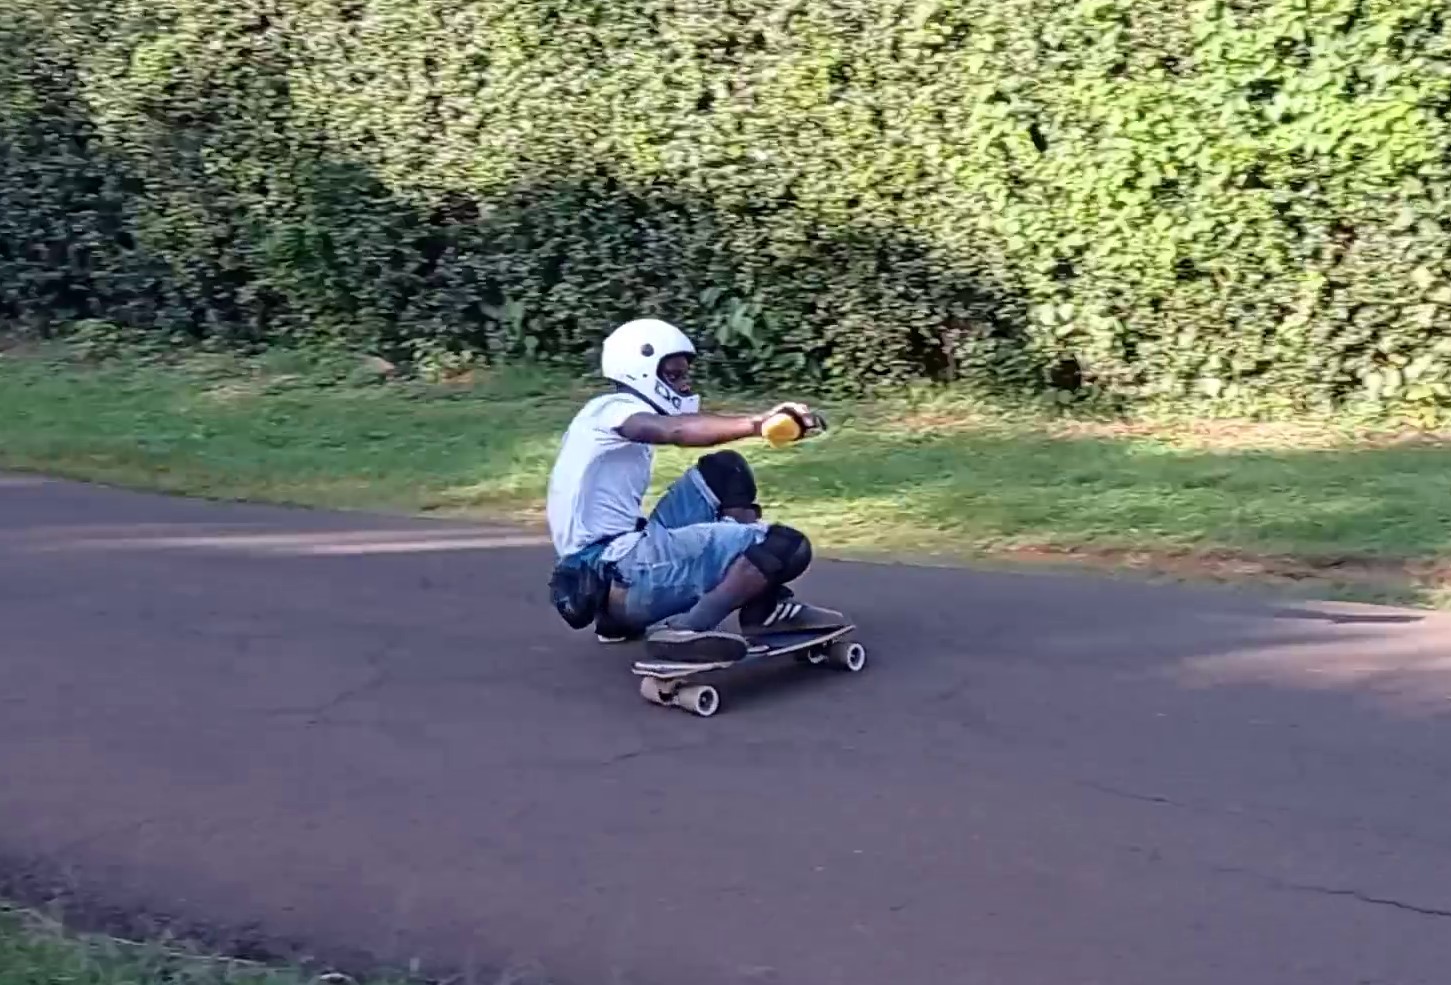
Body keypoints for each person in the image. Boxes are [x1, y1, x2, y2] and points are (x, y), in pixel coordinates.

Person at [546, 317, 843, 670]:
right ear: (639, 373)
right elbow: (676, 429)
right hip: (625, 574)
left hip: (603, 578)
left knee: (725, 470)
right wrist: (758, 424)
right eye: (673, 376)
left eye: (685, 375)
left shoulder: (599, 418)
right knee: (786, 547)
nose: (685, 385)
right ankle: (689, 630)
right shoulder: (613, 409)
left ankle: (620, 622)